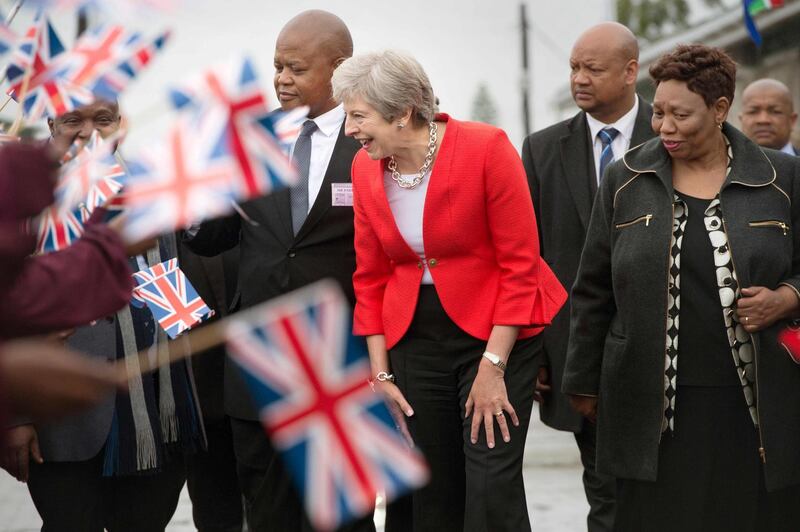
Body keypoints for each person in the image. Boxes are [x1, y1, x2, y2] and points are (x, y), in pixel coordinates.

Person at [562, 44, 800, 531]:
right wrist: (582, 382)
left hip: (754, 403)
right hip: (651, 403)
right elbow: (592, 289)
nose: (664, 126)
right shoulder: (626, 179)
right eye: (660, 112)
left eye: (680, 115)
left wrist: (788, 297)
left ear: (719, 109)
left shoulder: (782, 178)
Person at [332, 50, 566, 532]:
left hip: (500, 331)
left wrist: (493, 367)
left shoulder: (487, 148)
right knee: (431, 486)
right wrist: (380, 375)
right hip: (415, 337)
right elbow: (370, 278)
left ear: (401, 113)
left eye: (358, 116)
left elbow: (520, 267)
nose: (350, 128)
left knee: (489, 484)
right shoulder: (363, 168)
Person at [185, 10, 373, 532]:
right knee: (267, 512)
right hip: (260, 361)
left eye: (295, 68)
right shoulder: (251, 138)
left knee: (346, 513)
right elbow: (214, 235)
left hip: (341, 357)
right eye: (277, 68)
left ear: (339, 69)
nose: (282, 80)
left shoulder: (370, 136)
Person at [3, 100, 204, 532]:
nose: (89, 131)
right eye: (74, 120)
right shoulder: (22, 199)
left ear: (121, 125)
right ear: (52, 124)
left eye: (103, 119)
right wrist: (16, 419)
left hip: (154, 409)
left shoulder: (155, 187)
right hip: (63, 423)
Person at [520, 21, 653, 532]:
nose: (579, 78)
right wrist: (536, 350)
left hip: (663, 351)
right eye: (574, 67)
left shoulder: (671, 138)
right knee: (604, 494)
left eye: (592, 69)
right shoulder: (542, 149)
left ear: (629, 72)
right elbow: (527, 256)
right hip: (580, 353)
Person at [739, 78, 798, 155]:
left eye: (775, 112)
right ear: (741, 120)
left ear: (792, 121)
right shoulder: (725, 166)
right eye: (753, 112)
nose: (763, 120)